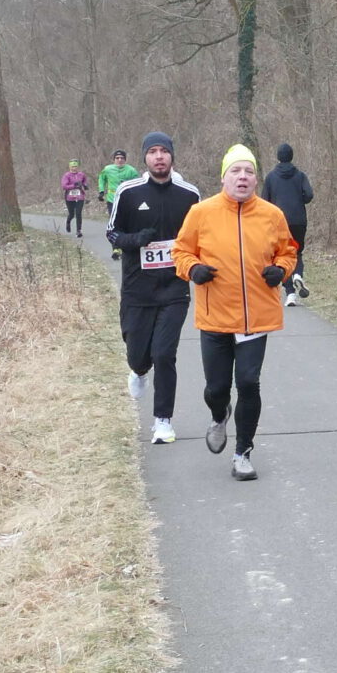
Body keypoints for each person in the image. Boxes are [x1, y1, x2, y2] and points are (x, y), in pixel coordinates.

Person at [173, 143, 300, 482]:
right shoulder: (201, 212)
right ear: (224, 177)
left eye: (249, 171)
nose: (242, 177)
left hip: (255, 317)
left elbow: (289, 251)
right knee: (216, 388)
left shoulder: (272, 215)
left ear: (256, 179)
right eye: (236, 171)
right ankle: (219, 415)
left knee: (248, 382)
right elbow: (181, 251)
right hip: (215, 316)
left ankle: (243, 453)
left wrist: (281, 270)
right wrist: (193, 269)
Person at [104, 133, 200, 444]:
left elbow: (202, 237)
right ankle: (138, 370)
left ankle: (163, 421)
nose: (159, 157)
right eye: (153, 152)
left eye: (164, 151)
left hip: (174, 288)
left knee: (164, 354)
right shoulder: (129, 192)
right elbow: (112, 233)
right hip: (137, 289)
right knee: (138, 355)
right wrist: (136, 240)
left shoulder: (189, 195)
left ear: (172, 156)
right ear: (145, 158)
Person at [260, 142, 315, 304]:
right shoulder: (300, 176)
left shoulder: (271, 177)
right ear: (292, 156)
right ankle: (298, 275)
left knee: (282, 255)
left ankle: (290, 293)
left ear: (278, 157)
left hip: (279, 221)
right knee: (297, 252)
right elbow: (309, 195)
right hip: (299, 221)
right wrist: (298, 199)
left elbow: (264, 201)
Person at [96, 149, 140, 224]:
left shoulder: (131, 170)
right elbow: (101, 179)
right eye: (117, 158)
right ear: (114, 159)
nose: (120, 160)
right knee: (113, 221)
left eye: (122, 158)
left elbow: (137, 184)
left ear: (125, 159)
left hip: (126, 199)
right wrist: (101, 191)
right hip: (112, 199)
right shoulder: (107, 169)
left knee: (125, 221)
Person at [60, 159, 90, 234]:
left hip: (80, 196)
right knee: (72, 214)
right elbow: (64, 186)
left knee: (78, 213)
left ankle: (78, 231)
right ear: (69, 167)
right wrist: (74, 185)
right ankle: (68, 222)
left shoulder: (81, 174)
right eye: (72, 167)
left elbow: (85, 181)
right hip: (69, 198)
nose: (74, 168)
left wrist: (85, 185)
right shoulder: (67, 175)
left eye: (76, 166)